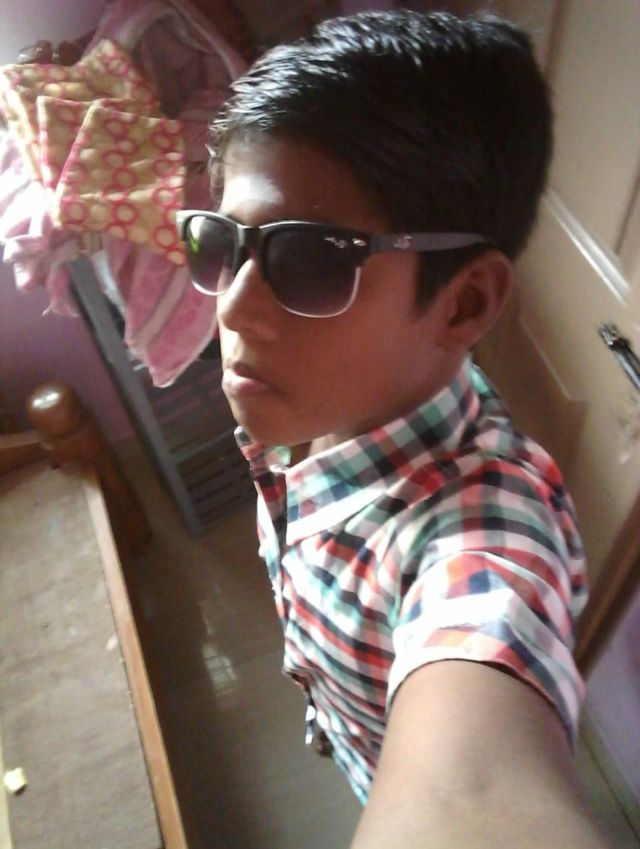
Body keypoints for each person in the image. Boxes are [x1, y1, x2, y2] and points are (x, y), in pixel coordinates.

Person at [177, 9, 610, 848]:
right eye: (220, 243)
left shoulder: (482, 531)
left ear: (466, 302)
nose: (232, 306)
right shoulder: (320, 401)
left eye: (310, 259)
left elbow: (474, 791)